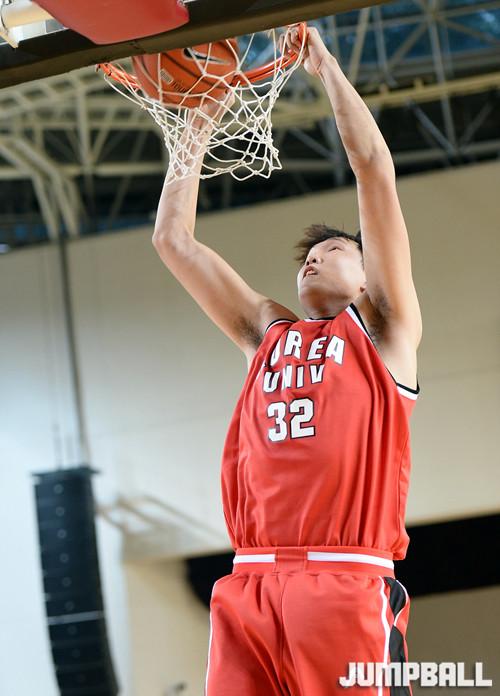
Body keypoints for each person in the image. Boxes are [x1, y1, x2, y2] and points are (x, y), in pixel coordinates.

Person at [153, 25, 422, 696]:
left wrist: (323, 64)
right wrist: (198, 120)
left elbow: (373, 169)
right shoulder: (266, 334)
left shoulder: (384, 331)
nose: (314, 259)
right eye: (308, 256)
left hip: (345, 575)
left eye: (334, 251)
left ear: (368, 277)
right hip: (249, 581)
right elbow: (173, 241)